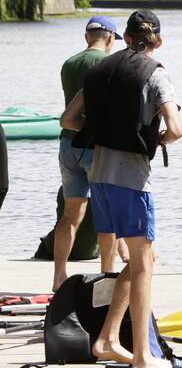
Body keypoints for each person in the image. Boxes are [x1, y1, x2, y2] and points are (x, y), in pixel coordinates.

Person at [59, 9, 182, 368]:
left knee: (140, 259)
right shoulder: (156, 73)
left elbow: (68, 120)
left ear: (125, 37)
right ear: (157, 41)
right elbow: (176, 129)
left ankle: (108, 339)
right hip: (131, 179)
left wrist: (101, 128)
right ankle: (143, 356)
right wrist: (156, 137)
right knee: (143, 263)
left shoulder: (98, 71)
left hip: (98, 177)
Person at [53, 15, 124, 292]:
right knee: (106, 214)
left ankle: (59, 276)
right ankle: (107, 276)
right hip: (97, 146)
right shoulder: (107, 64)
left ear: (86, 37)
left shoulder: (68, 64)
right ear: (109, 37)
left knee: (71, 215)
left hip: (68, 143)